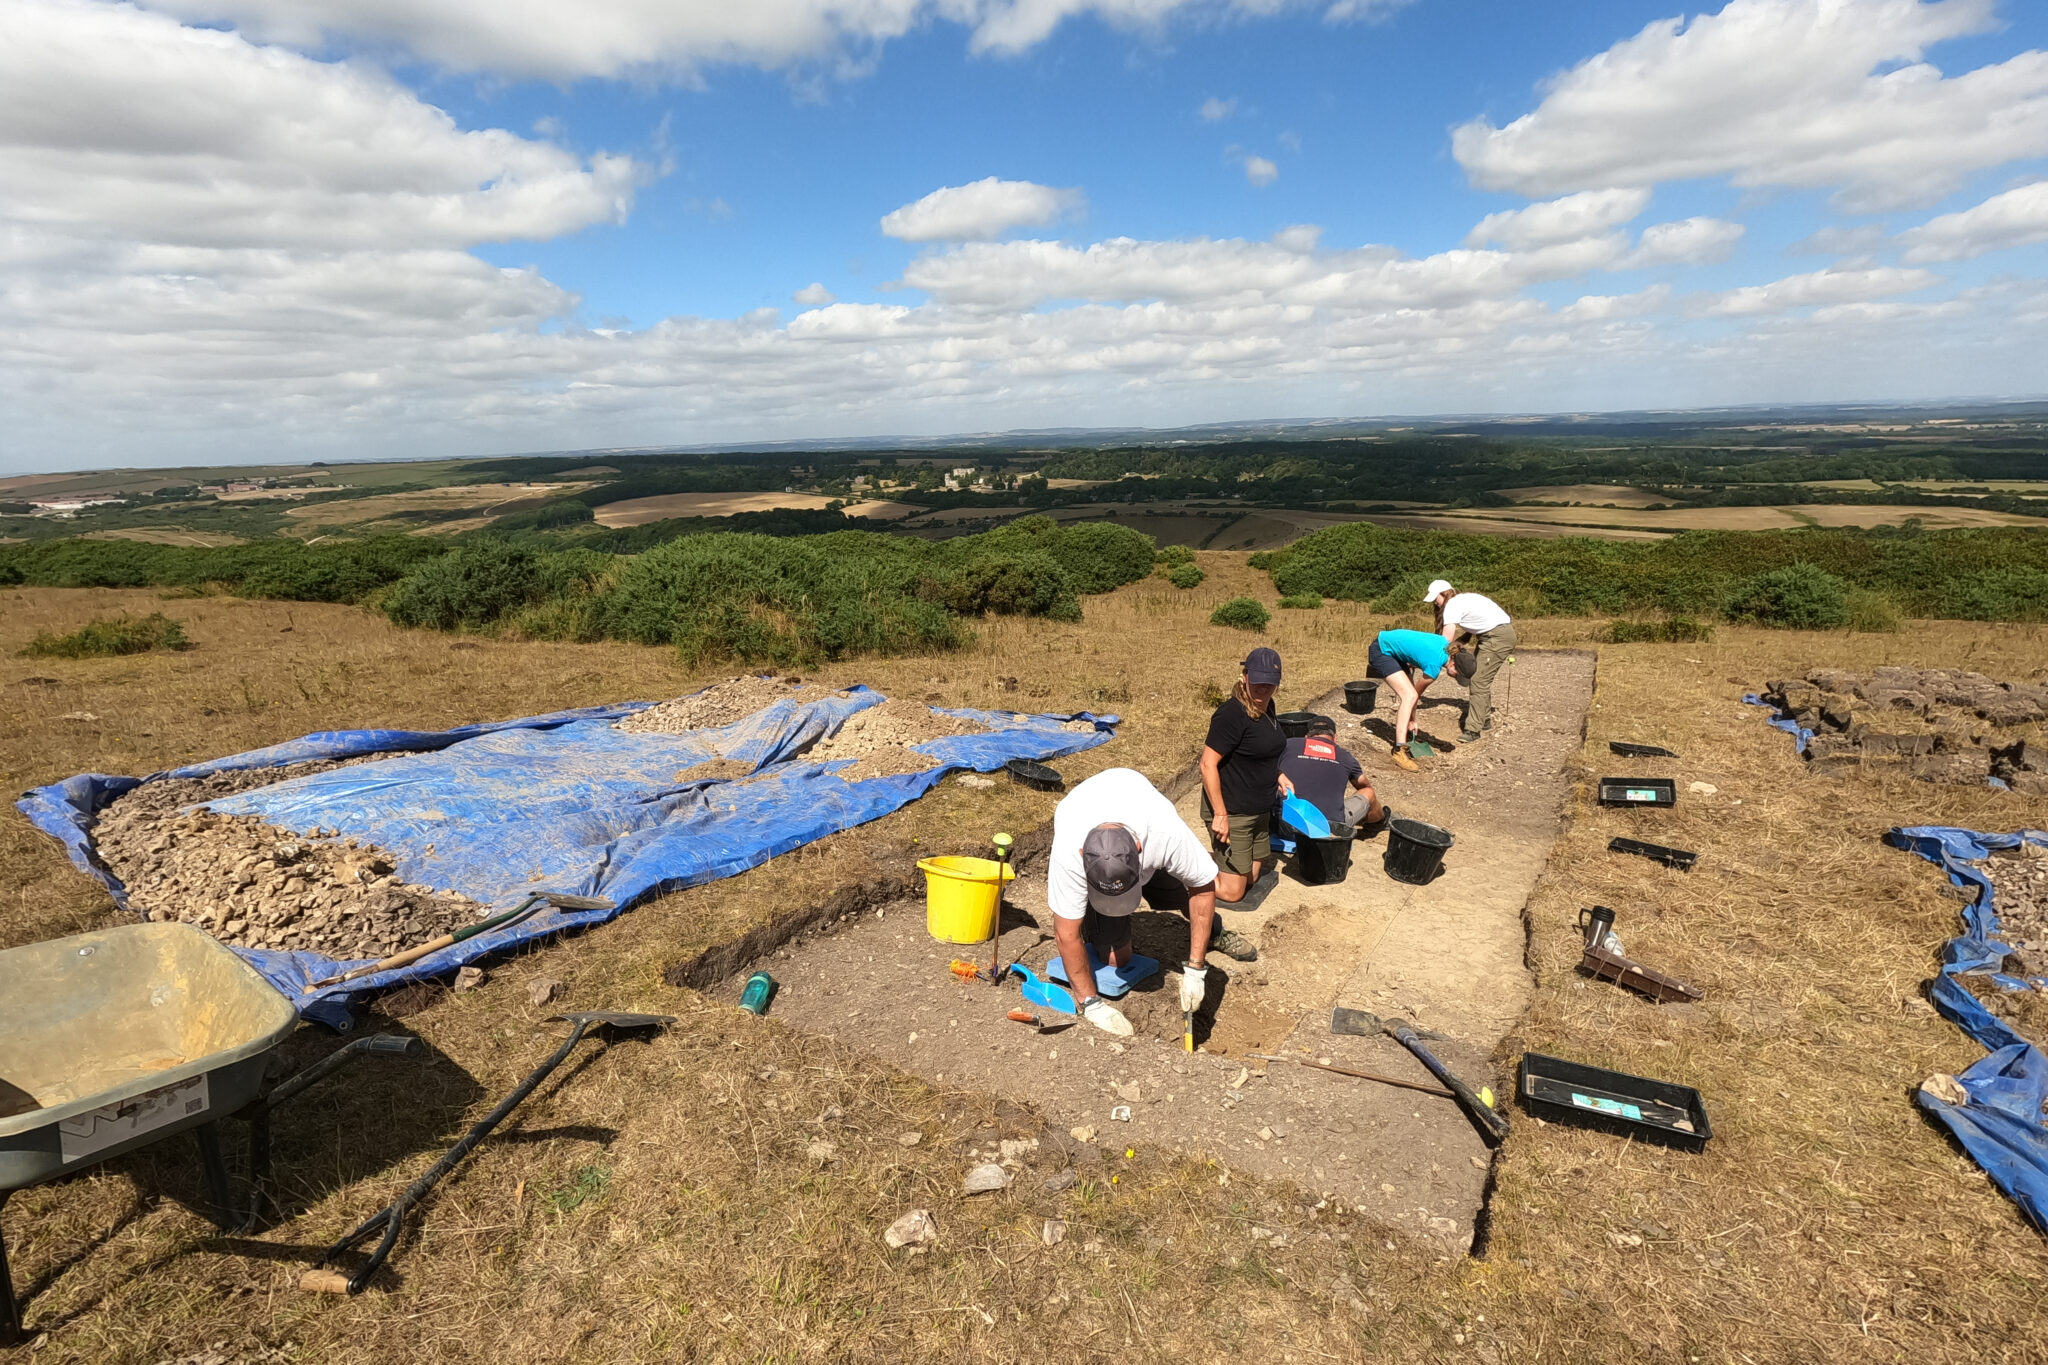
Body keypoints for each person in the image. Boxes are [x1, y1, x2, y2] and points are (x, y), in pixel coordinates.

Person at [1046, 767, 1258, 1037]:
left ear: (1138, 849)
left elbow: (1202, 887)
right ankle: (1099, 921)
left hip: (1147, 830)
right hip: (1088, 819)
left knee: (1186, 892)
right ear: (1082, 855)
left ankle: (1215, 934)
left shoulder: (1165, 833)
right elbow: (1065, 934)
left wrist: (1195, 968)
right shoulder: (1069, 850)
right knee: (1115, 960)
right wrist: (1091, 1003)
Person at [1200, 647, 1294, 903]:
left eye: (1269, 684)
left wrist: (1277, 774)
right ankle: (1177, 872)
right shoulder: (1231, 714)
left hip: (1259, 810)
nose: (1262, 690)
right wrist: (1220, 814)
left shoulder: (1268, 705)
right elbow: (1207, 764)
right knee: (1232, 892)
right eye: (1258, 682)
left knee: (1252, 877)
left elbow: (1260, 749)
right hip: (1233, 811)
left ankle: (1201, 860)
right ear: (1245, 676)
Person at [1367, 627, 1473, 772]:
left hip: (1392, 649)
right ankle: (1399, 749)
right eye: (1457, 675)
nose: (1455, 678)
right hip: (1381, 650)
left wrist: (1412, 719)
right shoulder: (1434, 666)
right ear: (1453, 664)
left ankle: (1404, 730)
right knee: (1409, 695)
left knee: (1409, 693)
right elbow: (1415, 695)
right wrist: (1413, 719)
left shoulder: (1445, 644)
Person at [1425, 579, 1516, 743]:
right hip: (1493, 635)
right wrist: (1456, 647)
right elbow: (1472, 629)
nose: (1435, 603)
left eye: (1435, 598)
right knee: (1480, 676)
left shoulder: (1452, 605)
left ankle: (1473, 729)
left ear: (1444, 594)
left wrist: (1444, 662)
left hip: (1497, 638)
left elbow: (1444, 640)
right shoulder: (1464, 599)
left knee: (1478, 680)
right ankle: (1484, 719)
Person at [1278, 716, 1387, 833]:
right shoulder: (1345, 756)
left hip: (1284, 825)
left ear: (1306, 737)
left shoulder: (1288, 745)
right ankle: (1380, 822)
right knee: (1368, 793)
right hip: (1328, 830)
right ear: (1335, 738)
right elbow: (1364, 785)